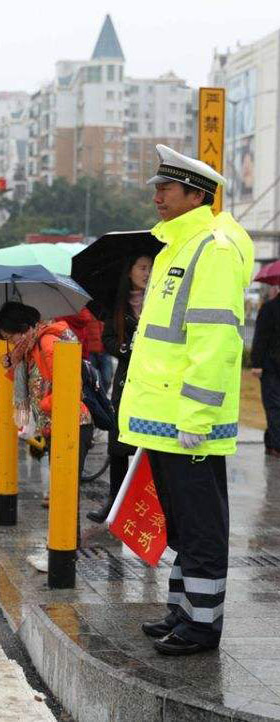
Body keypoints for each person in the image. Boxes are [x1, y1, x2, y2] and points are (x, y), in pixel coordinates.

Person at [118, 144, 255, 656]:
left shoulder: (212, 247)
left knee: (201, 526)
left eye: (166, 188)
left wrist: (197, 414)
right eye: (156, 187)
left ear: (195, 195)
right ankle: (182, 611)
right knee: (181, 521)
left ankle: (202, 626)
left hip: (188, 420)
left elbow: (215, 339)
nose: (156, 196)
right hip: (165, 417)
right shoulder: (177, 245)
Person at [0, 302, 94, 539]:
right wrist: (13, 363)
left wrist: (45, 404)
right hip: (55, 426)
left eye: (12, 336)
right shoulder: (29, 347)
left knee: (65, 492)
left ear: (26, 327)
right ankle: (66, 546)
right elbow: (33, 382)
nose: (12, 343)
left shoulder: (48, 342)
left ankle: (67, 550)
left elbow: (68, 386)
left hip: (73, 425)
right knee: (62, 491)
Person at [86, 253, 153, 523]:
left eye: (150, 268)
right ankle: (114, 502)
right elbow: (108, 339)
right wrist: (127, 349)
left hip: (153, 382)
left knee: (147, 447)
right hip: (126, 380)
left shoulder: (159, 300)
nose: (147, 273)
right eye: (142, 267)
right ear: (130, 272)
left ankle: (145, 508)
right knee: (118, 444)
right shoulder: (119, 305)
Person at [251, 285, 280, 457]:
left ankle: (271, 442)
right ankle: (276, 445)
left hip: (272, 365)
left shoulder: (269, 307)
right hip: (271, 367)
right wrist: (257, 363)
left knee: (274, 406)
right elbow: (261, 336)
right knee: (274, 406)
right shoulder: (269, 308)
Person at [86, 311, 113, 395]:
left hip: (104, 349)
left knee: (107, 378)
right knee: (92, 379)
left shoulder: (102, 308)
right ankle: (96, 398)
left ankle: (102, 397)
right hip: (90, 351)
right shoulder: (84, 309)